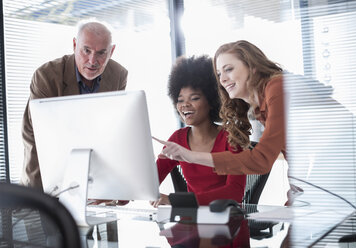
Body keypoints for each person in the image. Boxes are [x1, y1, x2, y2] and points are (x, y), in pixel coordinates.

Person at [21, 19, 128, 189]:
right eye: (86, 50)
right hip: (46, 172)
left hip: (94, 177)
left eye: (101, 53)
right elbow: (39, 134)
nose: (92, 61)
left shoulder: (118, 75)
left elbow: (110, 129)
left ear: (111, 51)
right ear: (74, 44)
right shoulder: (46, 75)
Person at [153, 40, 285, 177]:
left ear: (252, 67)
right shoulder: (260, 108)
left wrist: (191, 156)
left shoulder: (277, 88)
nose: (222, 80)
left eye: (228, 69)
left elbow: (261, 160)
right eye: (219, 74)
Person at [151, 55, 246, 207]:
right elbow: (150, 183)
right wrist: (119, 198)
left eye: (194, 98)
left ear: (211, 100)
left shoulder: (231, 138)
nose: (184, 105)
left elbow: (234, 193)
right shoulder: (178, 139)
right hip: (193, 220)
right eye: (180, 100)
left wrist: (176, 201)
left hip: (228, 221)